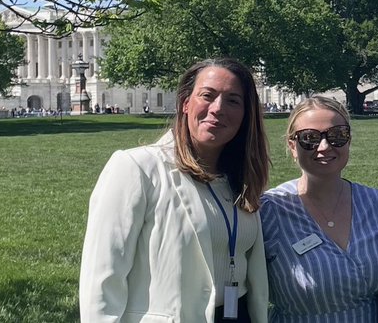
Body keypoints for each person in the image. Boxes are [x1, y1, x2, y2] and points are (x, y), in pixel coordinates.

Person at [80, 57, 270, 323]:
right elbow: (102, 278)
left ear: (246, 114)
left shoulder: (241, 179)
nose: (218, 108)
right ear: (185, 103)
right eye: (207, 95)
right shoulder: (138, 168)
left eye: (233, 101)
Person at [261, 95, 378, 323]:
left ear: (349, 140)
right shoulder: (270, 211)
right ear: (292, 146)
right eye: (309, 138)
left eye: (337, 136)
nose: (324, 147)